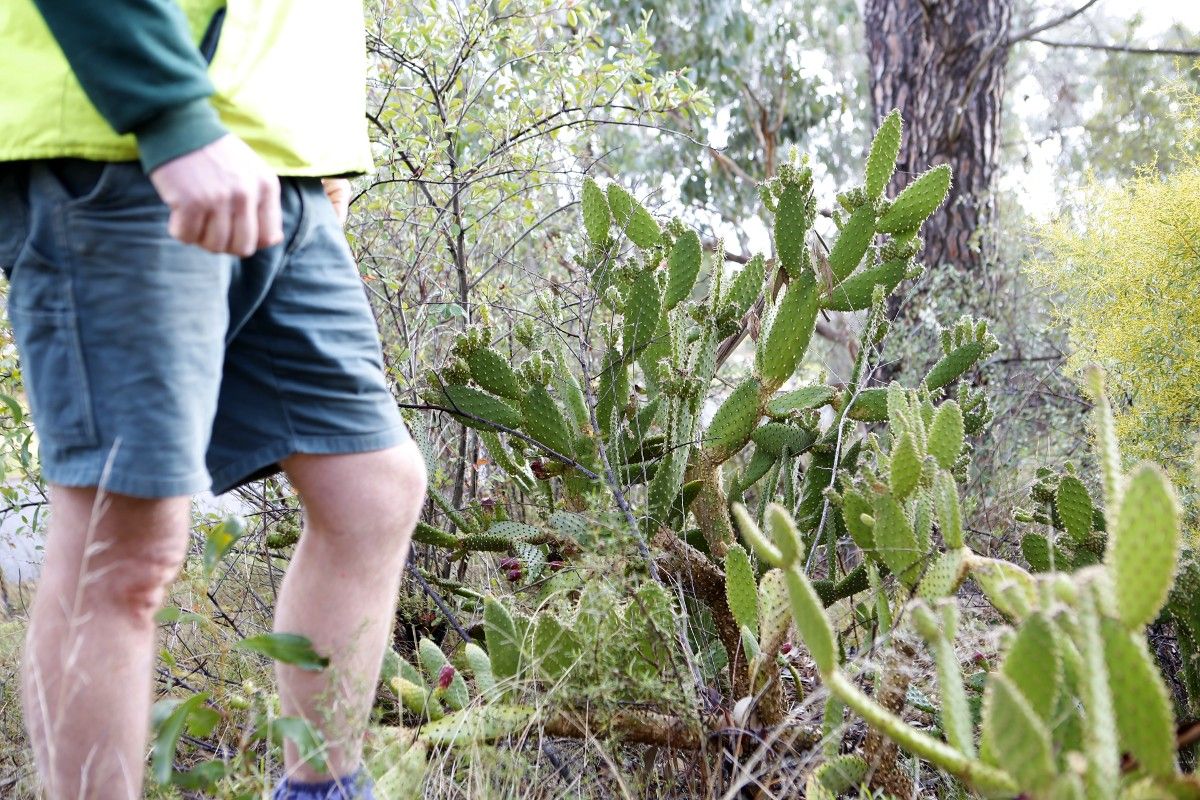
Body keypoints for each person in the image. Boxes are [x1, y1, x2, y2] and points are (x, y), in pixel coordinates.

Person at [0, 1, 428, 798]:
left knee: (371, 490)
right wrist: (167, 112)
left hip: (270, 154)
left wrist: (313, 135)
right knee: (122, 542)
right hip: (127, 141)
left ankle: (322, 792)